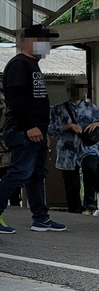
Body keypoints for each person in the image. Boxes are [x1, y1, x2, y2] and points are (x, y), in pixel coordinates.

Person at [0, 24, 67, 233]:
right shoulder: (19, 64)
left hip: (36, 132)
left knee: (36, 174)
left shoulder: (32, 65)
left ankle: (40, 217)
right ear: (29, 42)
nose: (47, 46)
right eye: (43, 41)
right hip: (22, 130)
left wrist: (43, 131)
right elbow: (15, 99)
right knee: (19, 172)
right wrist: (30, 127)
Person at [48, 83, 99, 214]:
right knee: (71, 185)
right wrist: (68, 126)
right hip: (67, 152)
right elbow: (50, 130)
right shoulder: (59, 109)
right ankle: (75, 213)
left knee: (91, 168)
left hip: (88, 148)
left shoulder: (92, 108)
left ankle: (90, 200)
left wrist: (97, 124)